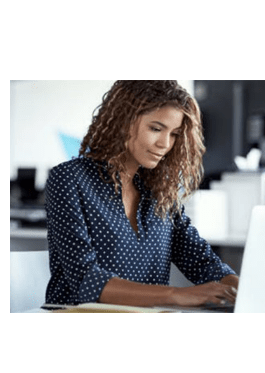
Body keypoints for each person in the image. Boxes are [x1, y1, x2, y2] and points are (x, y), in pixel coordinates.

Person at [45, 80, 239, 308]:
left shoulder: (160, 191)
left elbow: (201, 261)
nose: (165, 144)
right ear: (122, 122)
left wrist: (238, 287)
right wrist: (177, 294)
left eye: (174, 134)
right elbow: (86, 280)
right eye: (155, 129)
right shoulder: (69, 179)